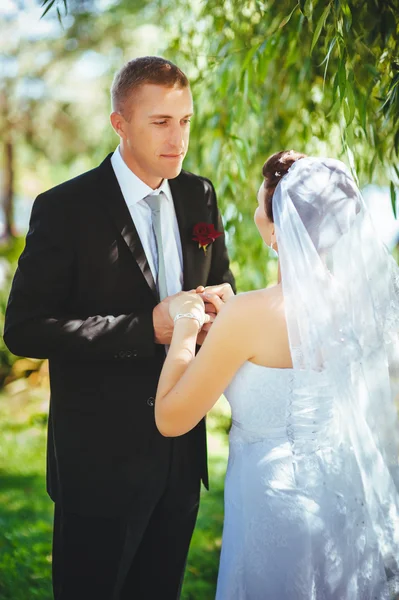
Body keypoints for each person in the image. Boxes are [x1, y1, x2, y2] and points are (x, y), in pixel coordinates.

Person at [3, 56, 235, 600]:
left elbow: (220, 281)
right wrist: (144, 327)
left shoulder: (199, 196)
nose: (177, 138)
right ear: (119, 123)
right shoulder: (65, 208)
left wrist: (216, 312)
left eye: (185, 121)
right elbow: (26, 329)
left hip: (180, 460)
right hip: (98, 464)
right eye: (161, 122)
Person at [154, 150, 399, 599]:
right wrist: (232, 323)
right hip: (341, 495)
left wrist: (186, 323)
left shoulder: (249, 314)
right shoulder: (354, 304)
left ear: (275, 228)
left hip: (274, 501)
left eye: (260, 203)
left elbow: (171, 417)